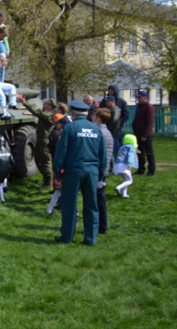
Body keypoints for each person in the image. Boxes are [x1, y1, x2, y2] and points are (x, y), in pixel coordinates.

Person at [53, 100, 107, 246]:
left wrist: (58, 173)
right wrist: (100, 176)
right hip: (92, 172)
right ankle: (90, 238)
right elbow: (103, 156)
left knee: (69, 204)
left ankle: (67, 236)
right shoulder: (96, 130)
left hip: (74, 171)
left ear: (72, 113)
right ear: (87, 113)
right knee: (91, 205)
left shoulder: (69, 128)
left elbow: (61, 152)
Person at [18, 94, 55, 188]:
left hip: (44, 142)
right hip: (40, 140)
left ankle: (48, 182)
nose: (44, 104)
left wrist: (25, 103)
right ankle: (45, 178)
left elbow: (36, 112)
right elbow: (37, 110)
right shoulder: (44, 113)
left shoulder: (49, 115)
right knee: (38, 159)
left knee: (45, 161)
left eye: (46, 103)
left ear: (50, 107)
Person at [93, 108, 114, 234]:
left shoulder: (99, 132)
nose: (92, 118)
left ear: (99, 119)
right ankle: (102, 226)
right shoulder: (107, 132)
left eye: (94, 116)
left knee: (97, 200)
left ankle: (100, 226)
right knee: (100, 199)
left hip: (99, 171)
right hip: (103, 170)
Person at [132, 90, 155, 176]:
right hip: (138, 132)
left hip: (146, 134)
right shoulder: (139, 107)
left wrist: (145, 135)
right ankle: (141, 169)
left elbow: (150, 122)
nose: (138, 99)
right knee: (140, 152)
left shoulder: (149, 107)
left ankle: (151, 171)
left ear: (145, 98)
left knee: (149, 152)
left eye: (139, 97)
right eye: (137, 97)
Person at [114, 134, 139, 198]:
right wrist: (130, 164)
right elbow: (131, 156)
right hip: (124, 165)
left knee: (125, 180)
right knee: (130, 181)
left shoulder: (122, 147)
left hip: (117, 165)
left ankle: (125, 194)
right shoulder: (131, 148)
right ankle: (118, 188)